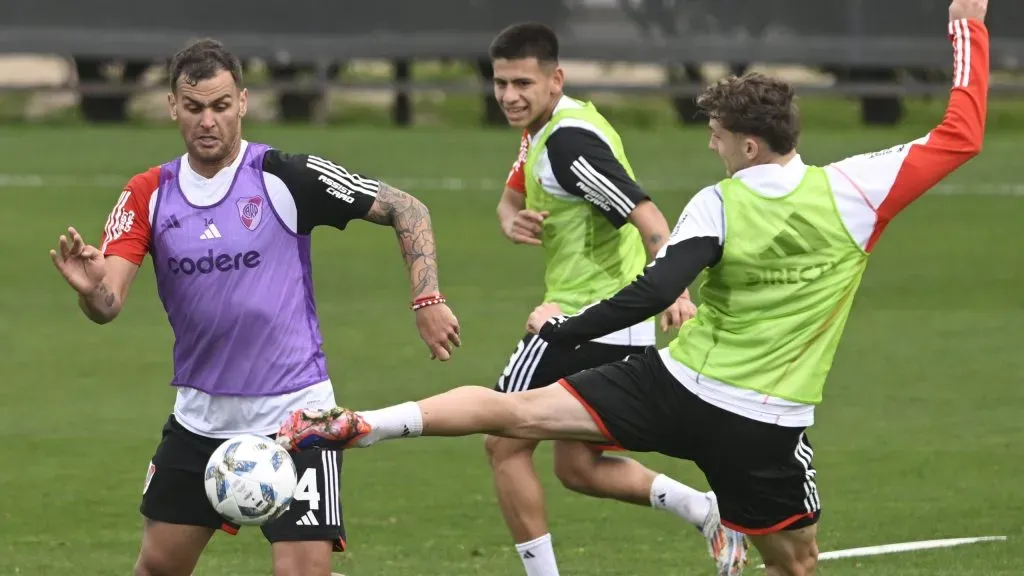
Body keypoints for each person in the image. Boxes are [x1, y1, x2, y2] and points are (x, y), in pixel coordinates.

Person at [276, 1, 989, 574]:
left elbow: (657, 290)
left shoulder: (718, 203)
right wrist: (967, 25)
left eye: (714, 135)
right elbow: (962, 133)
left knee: (513, 414)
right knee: (796, 564)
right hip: (763, 424)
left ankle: (367, 425)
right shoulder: (856, 191)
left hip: (673, 388)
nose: (709, 145)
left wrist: (568, 329)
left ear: (746, 145)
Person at [48, 39, 461, 576]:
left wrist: (426, 298)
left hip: (299, 419)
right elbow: (108, 306)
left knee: (301, 573)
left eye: (220, 106)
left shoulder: (284, 176)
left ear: (242, 101)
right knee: (157, 568)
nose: (208, 121)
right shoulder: (148, 193)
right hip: (200, 421)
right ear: (173, 106)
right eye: (194, 107)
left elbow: (407, 208)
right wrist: (90, 289)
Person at [484, 22, 747, 576]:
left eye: (522, 83)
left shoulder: (569, 145)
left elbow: (651, 222)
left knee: (502, 442)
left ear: (554, 79)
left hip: (581, 320)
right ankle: (707, 511)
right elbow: (510, 197)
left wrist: (675, 288)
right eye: (501, 82)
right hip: (618, 323)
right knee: (578, 466)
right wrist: (514, 220)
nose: (510, 95)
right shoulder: (552, 124)